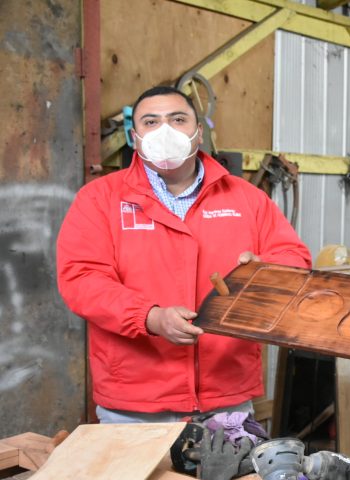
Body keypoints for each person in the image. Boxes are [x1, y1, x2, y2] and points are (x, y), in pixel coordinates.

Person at [57, 86, 312, 424]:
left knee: (228, 463)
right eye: (151, 122)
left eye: (178, 119)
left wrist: (266, 271)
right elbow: (82, 279)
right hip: (135, 402)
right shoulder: (99, 200)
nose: (165, 131)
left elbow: (294, 257)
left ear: (198, 132)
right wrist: (149, 317)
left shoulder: (246, 198)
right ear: (134, 136)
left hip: (227, 395)